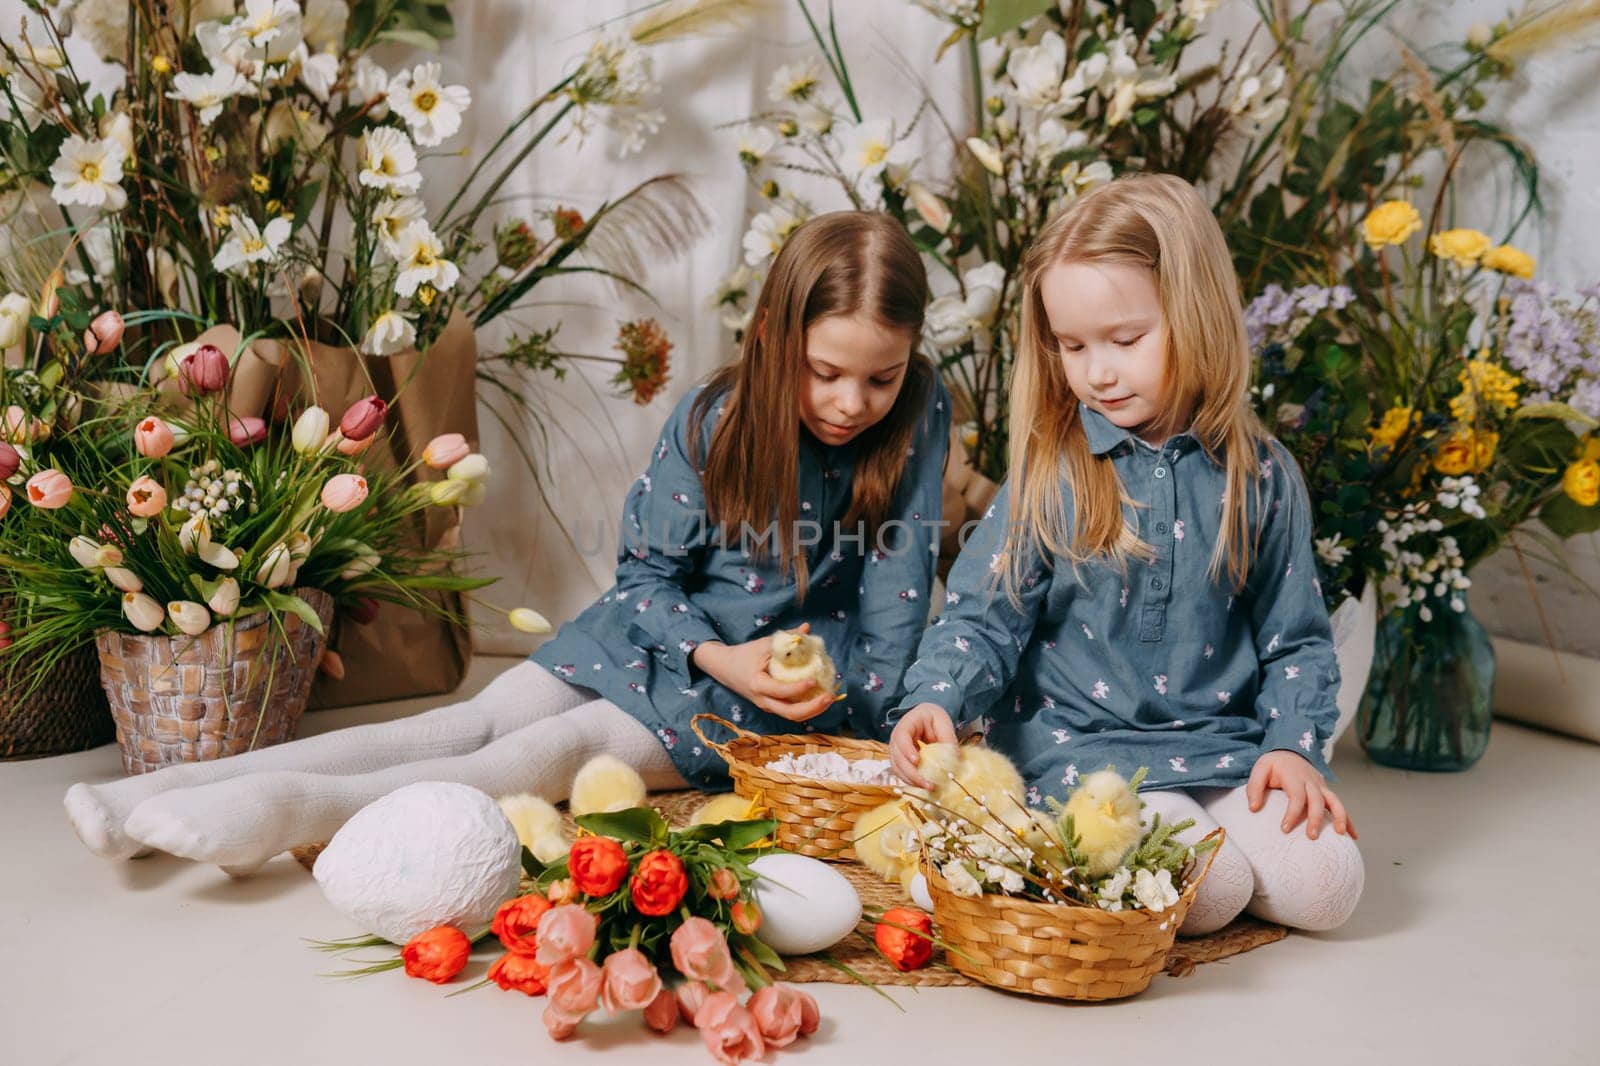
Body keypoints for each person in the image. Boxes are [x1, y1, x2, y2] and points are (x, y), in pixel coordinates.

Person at [65, 211, 950, 874]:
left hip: (773, 695)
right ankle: (147, 795)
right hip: (667, 636)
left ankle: (283, 813)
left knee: (536, 759)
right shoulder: (717, 419)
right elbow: (645, 577)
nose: (849, 402)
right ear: (769, 336)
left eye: (881, 376)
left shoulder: (920, 413)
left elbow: (898, 593)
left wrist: (855, 734)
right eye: (824, 371)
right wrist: (721, 657)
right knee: (468, 720)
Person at [887, 174, 1363, 934]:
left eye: (1125, 340)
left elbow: (1296, 636)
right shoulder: (1053, 470)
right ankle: (1088, 856)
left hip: (1224, 749)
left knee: (1332, 887)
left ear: (1196, 314)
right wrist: (936, 697)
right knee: (1211, 890)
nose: (1097, 373)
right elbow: (984, 615)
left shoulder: (1260, 474)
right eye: (1072, 346)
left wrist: (1293, 746)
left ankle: (1138, 868)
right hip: (1085, 750)